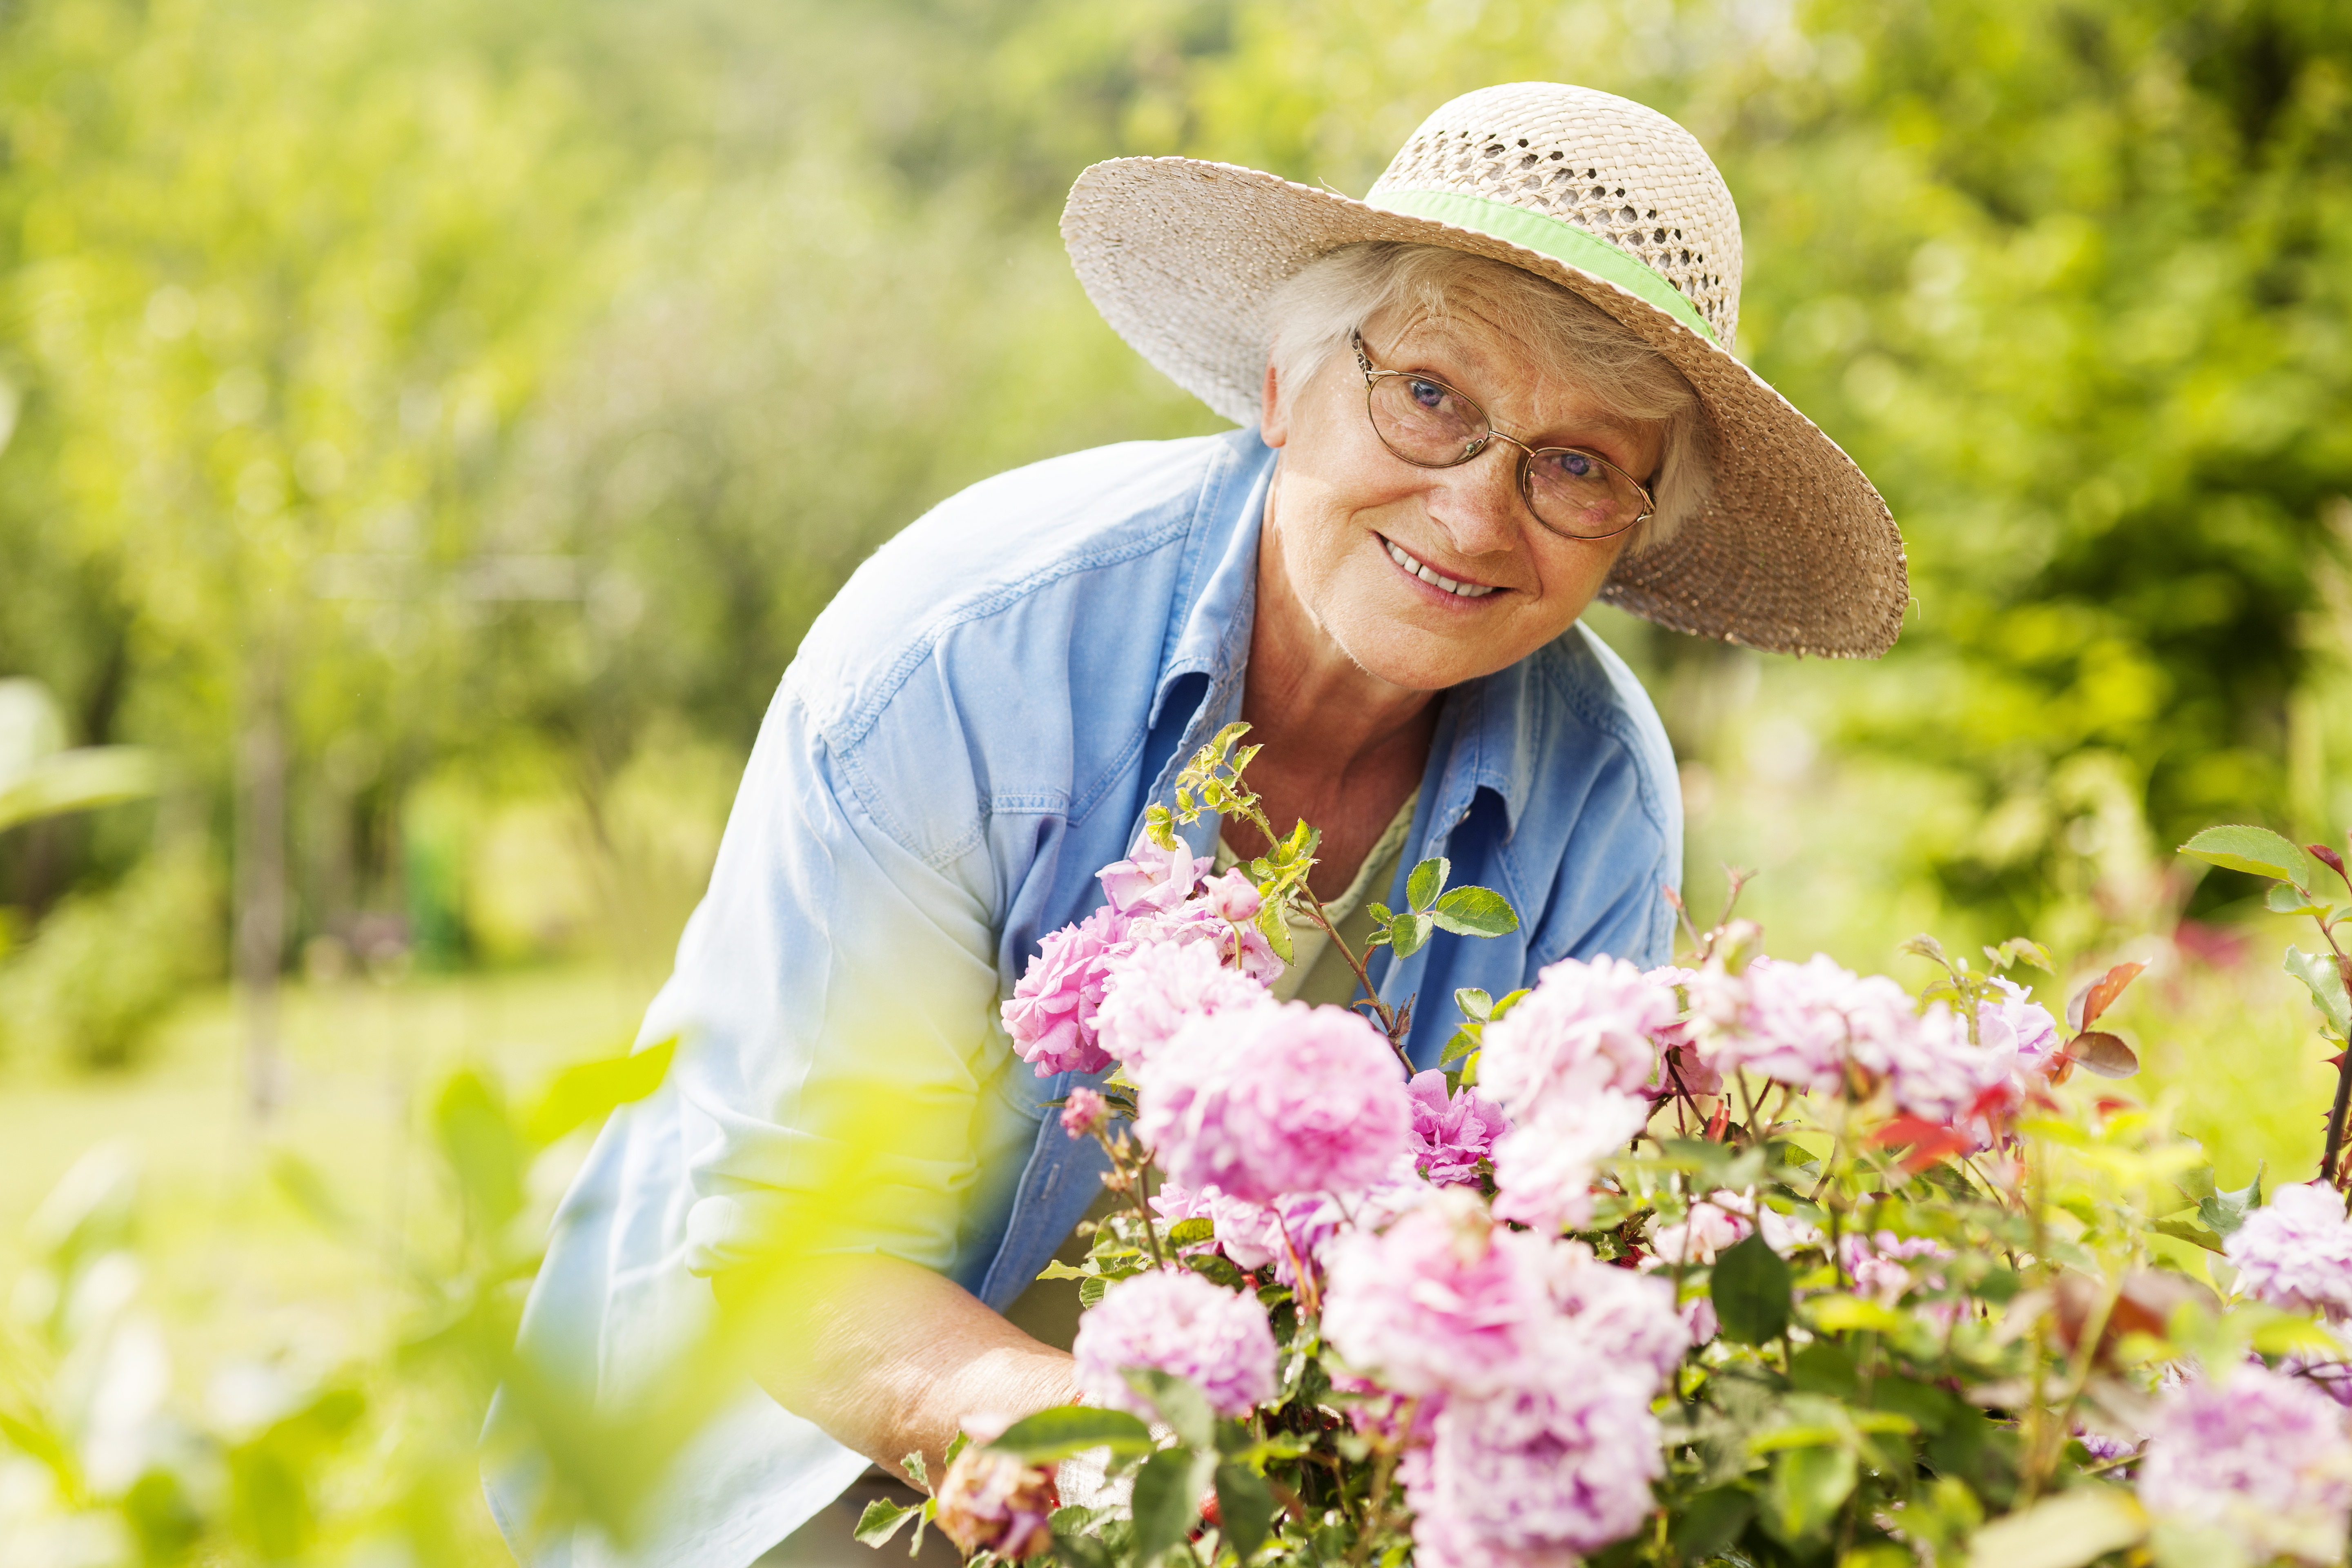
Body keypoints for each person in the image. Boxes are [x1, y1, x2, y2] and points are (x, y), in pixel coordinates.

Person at [484, 81, 1905, 1568]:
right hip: (782, 1446)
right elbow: (795, 1260)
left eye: (1577, 465)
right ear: (1290, 385)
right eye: (1431, 395)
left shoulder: (1601, 793)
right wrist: (1143, 1474)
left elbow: (1532, 1272)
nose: (1480, 515)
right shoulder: (970, 659)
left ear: (1632, 530)